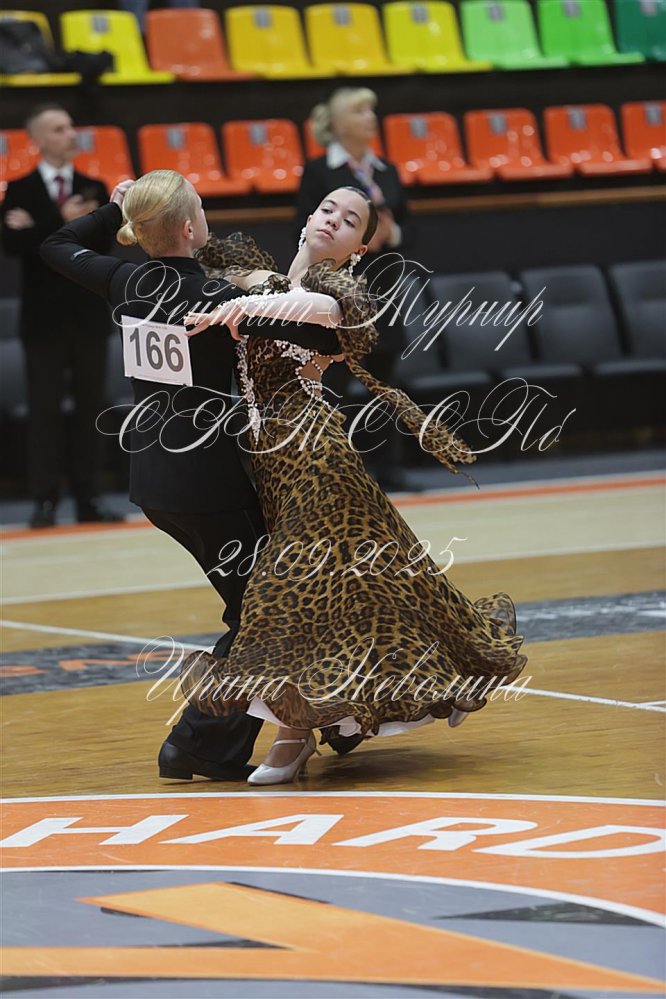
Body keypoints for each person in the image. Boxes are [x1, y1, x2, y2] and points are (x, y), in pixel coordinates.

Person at [179, 186, 527, 786]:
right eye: (327, 210)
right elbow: (189, 249)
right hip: (268, 467)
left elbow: (312, 310)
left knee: (288, 595)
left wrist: (239, 309)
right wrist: (141, 207)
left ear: (359, 247)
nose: (334, 221)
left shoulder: (337, 294)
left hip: (315, 457)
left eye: (350, 221)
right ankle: (371, 701)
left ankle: (292, 737)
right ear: (307, 218)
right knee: (365, 591)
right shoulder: (254, 277)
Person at [40, 169, 355, 779]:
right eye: (202, 207)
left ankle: (304, 725)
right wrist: (295, 291)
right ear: (189, 228)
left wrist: (113, 209)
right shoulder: (214, 299)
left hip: (153, 482)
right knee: (263, 612)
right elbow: (323, 328)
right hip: (208, 484)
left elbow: (55, 244)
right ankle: (199, 743)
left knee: (259, 607)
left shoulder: (124, 279)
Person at [1, 103, 122, 528]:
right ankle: (45, 500)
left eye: (71, 126)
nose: (71, 134)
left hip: (88, 315)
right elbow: (14, 247)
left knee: (91, 408)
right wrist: (64, 220)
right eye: (58, 128)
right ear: (37, 138)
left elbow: (101, 246)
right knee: (45, 411)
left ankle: (90, 497)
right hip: (43, 321)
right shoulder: (19, 189)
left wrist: (41, 225)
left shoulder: (94, 186)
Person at [295, 87, 413, 492]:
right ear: (338, 122)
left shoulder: (386, 169)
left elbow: (411, 228)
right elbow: (304, 231)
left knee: (386, 385)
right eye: (360, 111)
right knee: (332, 386)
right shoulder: (319, 172)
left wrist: (391, 233)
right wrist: (349, 242)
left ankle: (389, 471)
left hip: (383, 292)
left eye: (371, 110)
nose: (370, 118)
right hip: (337, 295)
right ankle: (332, 473)